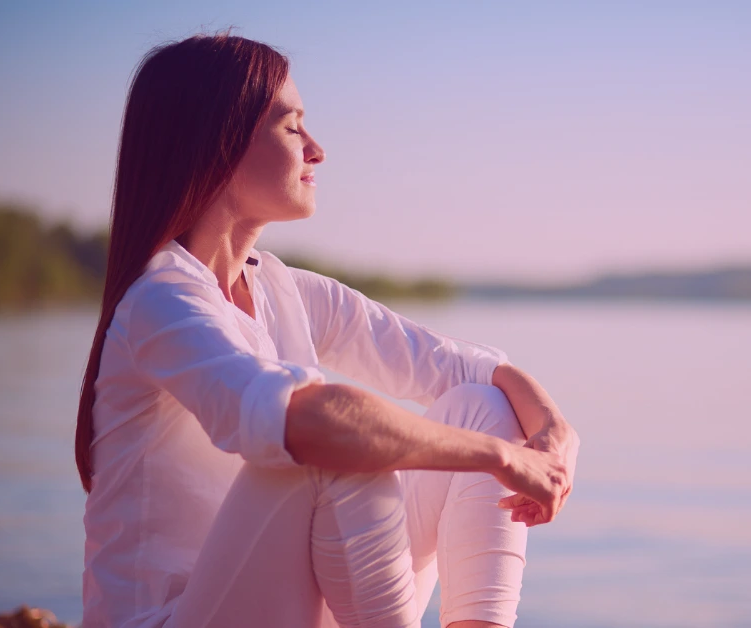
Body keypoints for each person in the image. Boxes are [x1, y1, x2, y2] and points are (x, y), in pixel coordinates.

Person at [74, 31, 580, 628]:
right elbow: (307, 423)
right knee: (331, 448)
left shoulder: (284, 289)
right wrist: (499, 459)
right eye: (292, 128)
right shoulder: (162, 299)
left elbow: (470, 368)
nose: (317, 150)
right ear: (217, 144)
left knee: (478, 406)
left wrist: (552, 433)